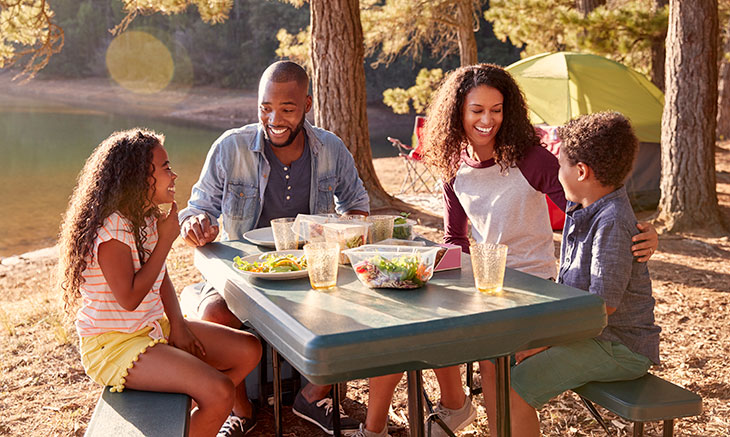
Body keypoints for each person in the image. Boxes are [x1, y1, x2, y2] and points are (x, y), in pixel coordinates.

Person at [351, 64, 659, 437]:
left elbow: (589, 206)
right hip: (483, 281)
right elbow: (456, 238)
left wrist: (642, 235)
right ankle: (445, 409)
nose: (487, 119)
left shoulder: (531, 159)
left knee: (494, 364)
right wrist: (425, 268)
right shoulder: (453, 164)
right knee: (413, 323)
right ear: (458, 112)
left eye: (496, 110)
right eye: (477, 110)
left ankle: (498, 426)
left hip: (532, 285)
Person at [179, 60, 368, 435]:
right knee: (215, 313)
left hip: (312, 273)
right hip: (243, 274)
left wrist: (340, 231)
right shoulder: (230, 147)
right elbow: (198, 207)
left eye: (287, 109)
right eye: (266, 107)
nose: (274, 118)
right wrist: (195, 224)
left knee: (367, 308)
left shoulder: (330, 149)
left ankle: (312, 397)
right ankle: (240, 409)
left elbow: (357, 205)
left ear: (308, 105)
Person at [58, 129, 262, 437]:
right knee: (220, 391)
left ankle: (193, 419)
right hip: (114, 345)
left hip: (151, 328)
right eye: (165, 167)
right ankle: (204, 410)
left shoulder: (146, 217)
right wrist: (167, 240)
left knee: (248, 349)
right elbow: (129, 298)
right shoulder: (112, 230)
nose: (174, 174)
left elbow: (160, 276)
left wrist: (178, 325)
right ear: (138, 177)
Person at [478, 111, 661, 436]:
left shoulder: (612, 221)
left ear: (581, 171)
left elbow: (603, 305)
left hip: (619, 347)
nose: (556, 172)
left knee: (516, 386)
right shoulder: (586, 207)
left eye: (560, 165)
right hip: (593, 336)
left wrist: (546, 342)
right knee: (501, 357)